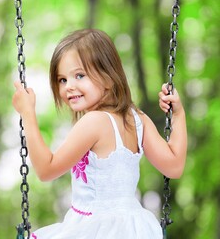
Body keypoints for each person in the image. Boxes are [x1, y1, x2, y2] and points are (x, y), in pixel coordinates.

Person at [12, 28, 187, 239]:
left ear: (109, 77)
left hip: (95, 228)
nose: (69, 87)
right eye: (62, 80)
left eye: (79, 75)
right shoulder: (138, 119)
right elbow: (175, 166)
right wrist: (178, 115)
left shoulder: (94, 121)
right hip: (135, 228)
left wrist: (28, 113)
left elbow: (46, 169)